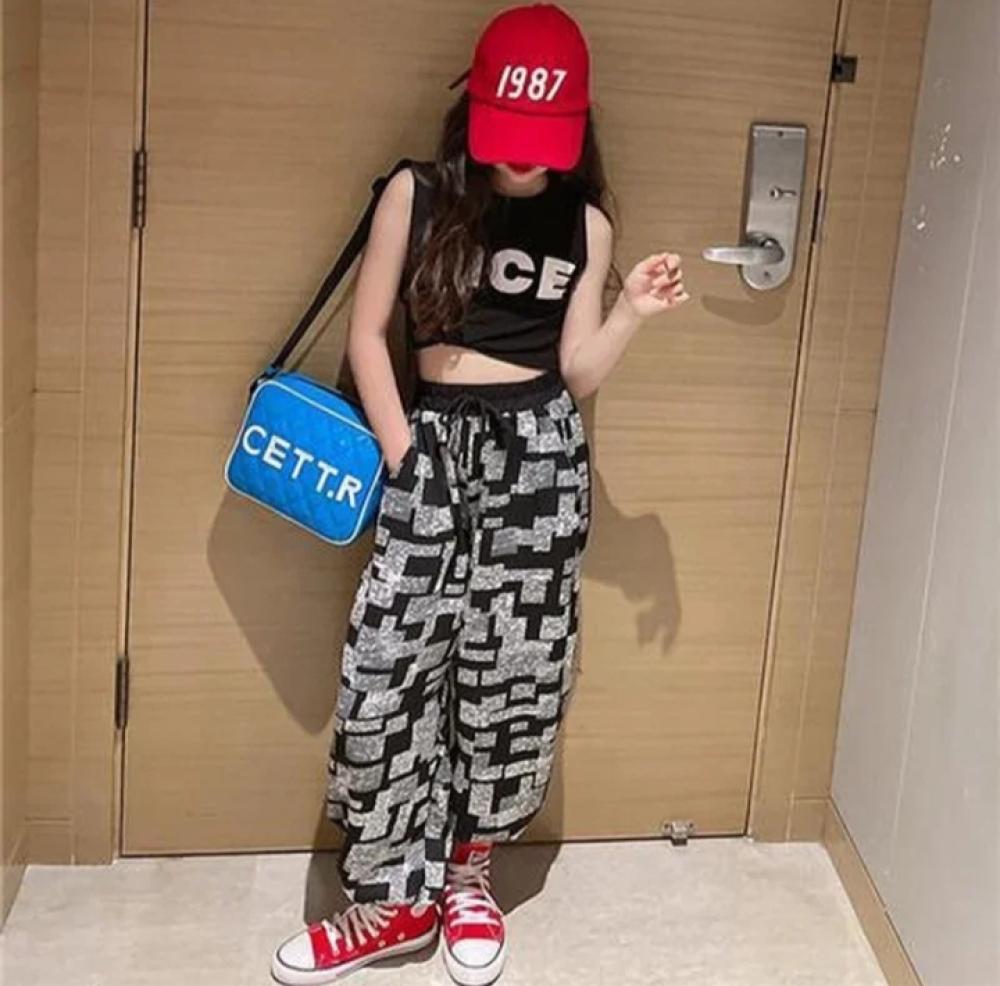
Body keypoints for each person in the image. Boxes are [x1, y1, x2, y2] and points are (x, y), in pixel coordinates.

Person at [270, 4, 688, 984]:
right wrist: (404, 451)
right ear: (476, 108)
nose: (524, 158)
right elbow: (368, 334)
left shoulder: (585, 222)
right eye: (510, 132)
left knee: (514, 678)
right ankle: (391, 900)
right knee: (387, 671)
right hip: (432, 445)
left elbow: (576, 371)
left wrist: (630, 310)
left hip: (541, 459)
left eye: (544, 138)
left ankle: (466, 874)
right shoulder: (418, 194)